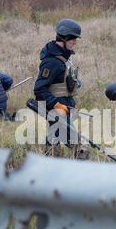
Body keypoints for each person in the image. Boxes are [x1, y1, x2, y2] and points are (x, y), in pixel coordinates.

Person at [33, 19, 87, 157]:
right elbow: (39, 89)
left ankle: (49, 165)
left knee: (54, 138)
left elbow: (61, 80)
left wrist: (74, 83)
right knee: (78, 145)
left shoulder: (64, 57)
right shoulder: (52, 62)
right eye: (73, 39)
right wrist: (56, 104)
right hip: (57, 109)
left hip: (65, 106)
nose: (75, 42)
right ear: (63, 38)